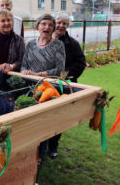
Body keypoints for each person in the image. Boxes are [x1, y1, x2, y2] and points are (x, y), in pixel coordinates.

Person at [20, 14, 65, 164]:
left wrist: (37, 74)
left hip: (47, 89)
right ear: (37, 26)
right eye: (43, 24)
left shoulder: (58, 45)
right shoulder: (30, 43)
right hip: (29, 87)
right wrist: (25, 72)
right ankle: (26, 150)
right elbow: (24, 64)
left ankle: (40, 154)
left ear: (53, 28)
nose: (46, 27)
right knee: (27, 122)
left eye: (50, 25)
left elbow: (59, 69)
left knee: (42, 123)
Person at [47, 12, 86, 158]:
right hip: (46, 83)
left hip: (64, 85)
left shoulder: (72, 44)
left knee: (58, 117)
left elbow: (81, 62)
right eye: (59, 22)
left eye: (64, 23)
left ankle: (53, 146)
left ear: (67, 25)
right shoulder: (46, 39)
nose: (61, 25)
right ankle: (41, 147)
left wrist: (65, 75)